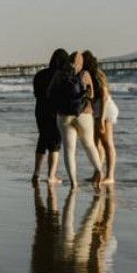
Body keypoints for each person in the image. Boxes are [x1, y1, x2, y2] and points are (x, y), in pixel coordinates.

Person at [49, 51, 104, 187]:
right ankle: (99, 171)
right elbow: (91, 95)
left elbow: (49, 93)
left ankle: (74, 183)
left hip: (63, 116)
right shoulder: (85, 74)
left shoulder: (59, 74)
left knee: (69, 150)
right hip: (84, 114)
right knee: (89, 145)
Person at [82, 50, 119, 184]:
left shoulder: (96, 75)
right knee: (96, 143)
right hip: (97, 109)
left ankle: (110, 176)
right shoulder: (87, 75)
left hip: (105, 109)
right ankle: (98, 173)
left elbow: (103, 96)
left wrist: (101, 120)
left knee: (107, 143)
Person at [32, 49, 66, 183]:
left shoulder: (39, 74)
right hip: (54, 111)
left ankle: (36, 173)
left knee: (42, 139)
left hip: (39, 109)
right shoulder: (61, 75)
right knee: (55, 143)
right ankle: (52, 176)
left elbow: (36, 93)